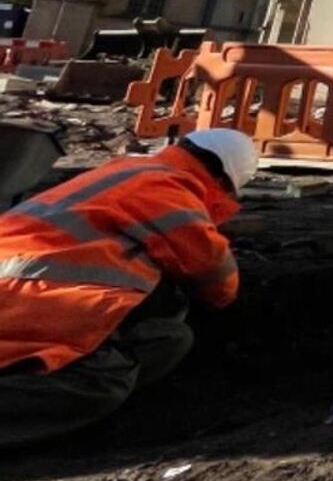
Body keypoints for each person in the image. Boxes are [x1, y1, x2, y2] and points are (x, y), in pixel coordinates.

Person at [0, 128, 257, 447]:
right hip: (25, 302)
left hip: (28, 294)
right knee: (101, 386)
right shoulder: (168, 189)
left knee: (169, 338)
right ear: (224, 182)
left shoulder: (125, 172)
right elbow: (217, 281)